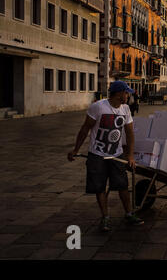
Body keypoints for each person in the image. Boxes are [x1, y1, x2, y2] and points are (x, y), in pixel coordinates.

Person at [67, 80, 143, 232]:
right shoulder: (98, 107)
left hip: (116, 153)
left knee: (122, 185)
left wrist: (130, 156)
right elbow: (85, 129)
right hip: (97, 154)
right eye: (126, 92)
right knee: (99, 187)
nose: (128, 95)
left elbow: (129, 133)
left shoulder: (126, 109)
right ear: (119, 93)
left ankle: (129, 214)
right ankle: (105, 218)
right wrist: (76, 149)